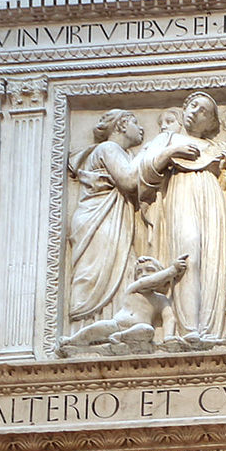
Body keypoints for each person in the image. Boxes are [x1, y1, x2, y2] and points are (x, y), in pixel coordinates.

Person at [146, 92, 226, 341]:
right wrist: (171, 151)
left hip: (212, 198)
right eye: (193, 105)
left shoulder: (216, 146)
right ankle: (189, 328)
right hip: (182, 193)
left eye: (203, 110)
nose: (195, 111)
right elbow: (143, 170)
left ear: (212, 123)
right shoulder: (169, 138)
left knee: (213, 258)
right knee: (189, 254)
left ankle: (210, 328)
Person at [66, 110, 159, 327]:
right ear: (122, 125)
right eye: (136, 122)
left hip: (112, 222)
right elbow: (127, 180)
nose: (142, 128)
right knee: (96, 275)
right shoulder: (108, 148)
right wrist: (152, 150)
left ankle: (112, 327)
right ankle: (87, 328)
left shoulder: (124, 154)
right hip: (99, 222)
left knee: (121, 271)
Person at [63, 254, 188, 348]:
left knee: (147, 330)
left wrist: (168, 338)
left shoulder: (161, 300)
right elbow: (148, 282)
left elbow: (169, 318)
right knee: (94, 329)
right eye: (139, 272)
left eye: (150, 270)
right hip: (117, 324)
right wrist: (172, 270)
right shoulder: (134, 288)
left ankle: (120, 337)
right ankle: (72, 341)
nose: (144, 274)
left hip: (137, 329)